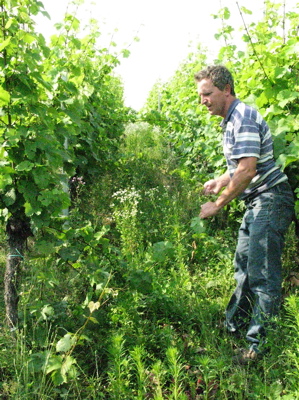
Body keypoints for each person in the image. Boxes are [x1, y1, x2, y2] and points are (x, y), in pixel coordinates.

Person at [195, 65, 295, 364]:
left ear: (226, 89)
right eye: (200, 95)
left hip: (271, 200)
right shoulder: (232, 120)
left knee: (263, 275)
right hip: (257, 203)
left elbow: (248, 170)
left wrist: (218, 204)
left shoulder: (243, 117)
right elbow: (243, 167)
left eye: (208, 94)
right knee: (244, 269)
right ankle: (235, 329)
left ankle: (257, 348)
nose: (204, 101)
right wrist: (221, 181)